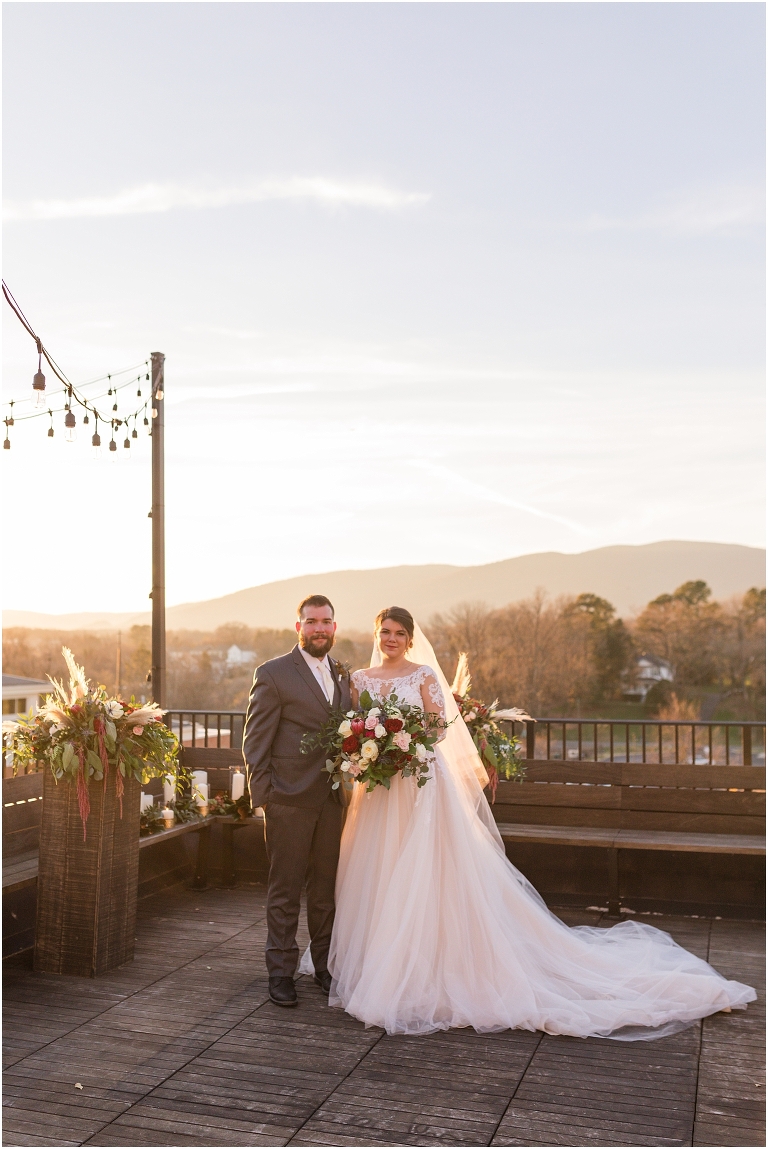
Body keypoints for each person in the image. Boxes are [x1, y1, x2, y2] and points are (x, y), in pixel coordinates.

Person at [319, 605, 756, 1038]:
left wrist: (405, 740)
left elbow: (438, 727)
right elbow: (355, 724)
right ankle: (380, 959)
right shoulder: (360, 680)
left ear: (410, 639)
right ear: (376, 635)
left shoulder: (423, 675)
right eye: (384, 632)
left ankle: (432, 963)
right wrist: (371, 746)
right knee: (380, 867)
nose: (391, 639)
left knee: (427, 871)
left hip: (421, 784)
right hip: (380, 788)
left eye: (398, 632)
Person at [243, 594, 351, 1007]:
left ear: (334, 628)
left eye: (326, 622)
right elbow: (255, 742)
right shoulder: (273, 673)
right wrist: (264, 797)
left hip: (331, 799)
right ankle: (280, 973)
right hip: (287, 799)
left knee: (325, 890)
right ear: (298, 627)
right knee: (285, 889)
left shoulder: (342, 673)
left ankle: (323, 967)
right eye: (311, 622)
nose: (319, 628)